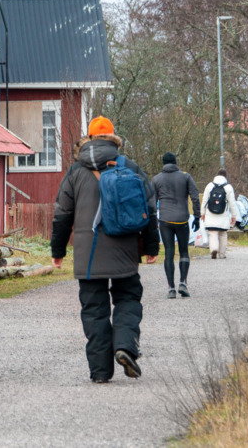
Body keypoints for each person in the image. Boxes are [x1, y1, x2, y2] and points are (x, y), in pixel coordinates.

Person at [51, 116, 159, 384]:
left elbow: (62, 214)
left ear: (88, 138)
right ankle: (124, 345)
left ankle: (100, 372)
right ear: (113, 138)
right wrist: (151, 246)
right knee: (128, 298)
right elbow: (150, 209)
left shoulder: (75, 171)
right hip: (124, 247)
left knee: (94, 311)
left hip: (88, 255)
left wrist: (58, 251)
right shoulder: (130, 167)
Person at [151, 152, 200, 299]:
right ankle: (182, 284)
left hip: (165, 220)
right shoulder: (185, 176)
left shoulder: (156, 179)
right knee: (184, 251)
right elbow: (195, 196)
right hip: (182, 219)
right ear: (175, 162)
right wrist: (197, 216)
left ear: (163, 163)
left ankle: (171, 288)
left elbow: (151, 202)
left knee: (169, 253)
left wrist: (154, 221)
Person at [200, 169, 238, 259]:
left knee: (212, 233)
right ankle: (222, 254)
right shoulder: (228, 187)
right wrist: (234, 215)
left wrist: (202, 213)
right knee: (223, 234)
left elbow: (204, 200)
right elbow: (232, 203)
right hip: (223, 215)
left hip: (210, 214)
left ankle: (214, 249)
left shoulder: (209, 186)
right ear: (225, 177)